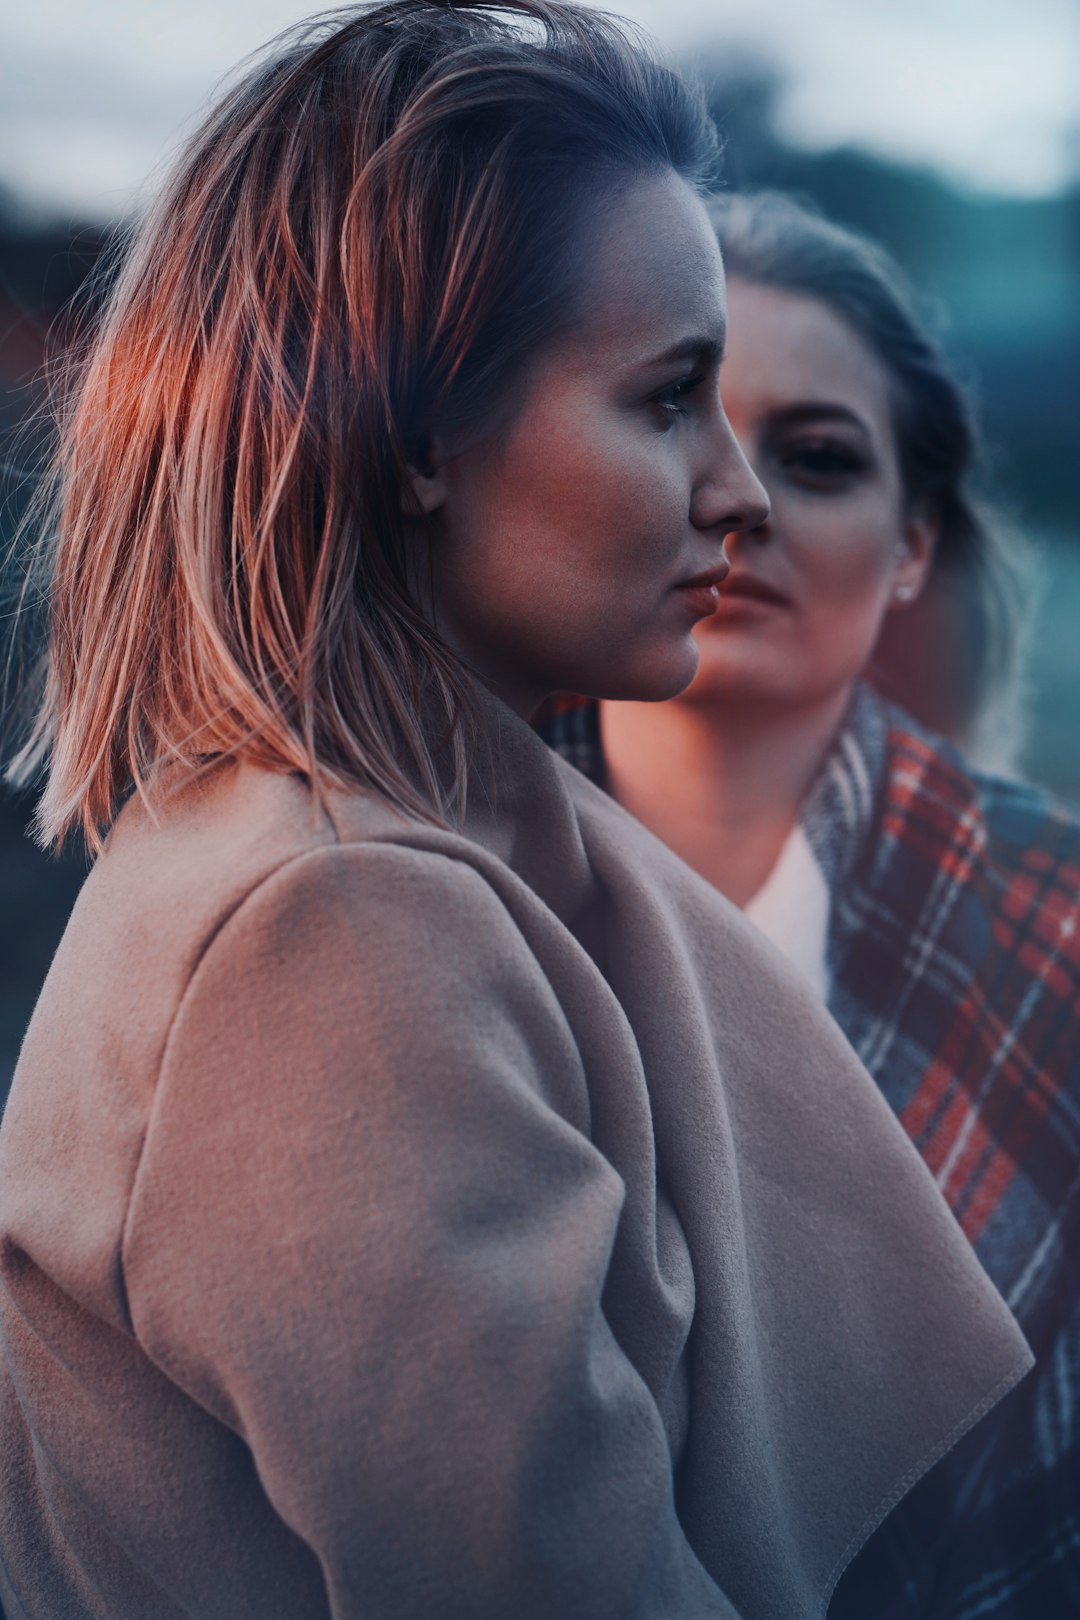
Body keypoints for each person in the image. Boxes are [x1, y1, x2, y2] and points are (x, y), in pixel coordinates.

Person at [0, 16, 1031, 1619]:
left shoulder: (341, 838)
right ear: (415, 435)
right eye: (669, 398)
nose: (739, 491)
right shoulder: (333, 938)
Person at [540, 189, 1080, 1618]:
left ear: (911, 547)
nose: (742, 496)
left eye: (819, 455)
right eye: (673, 417)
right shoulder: (386, 880)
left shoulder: (1060, 921)